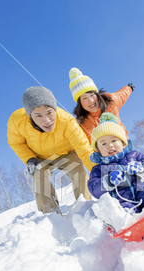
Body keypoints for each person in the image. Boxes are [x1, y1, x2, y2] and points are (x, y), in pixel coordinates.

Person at [7, 86, 94, 214]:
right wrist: (29, 159)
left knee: (78, 171)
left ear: (54, 109)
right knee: (38, 175)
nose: (46, 120)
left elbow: (85, 150)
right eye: (38, 115)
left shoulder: (67, 121)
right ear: (29, 115)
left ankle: (85, 206)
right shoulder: (17, 121)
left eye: (49, 112)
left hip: (66, 153)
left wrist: (99, 173)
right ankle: (51, 214)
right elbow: (16, 143)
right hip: (39, 157)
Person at [88, 113, 144, 213]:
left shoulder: (134, 155)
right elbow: (94, 188)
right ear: (98, 150)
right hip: (121, 200)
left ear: (123, 143)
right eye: (103, 143)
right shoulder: (98, 169)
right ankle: (130, 220)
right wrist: (108, 182)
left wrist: (143, 167)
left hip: (142, 190)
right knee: (120, 209)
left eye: (114, 140)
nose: (110, 145)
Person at [69, 67, 134, 142]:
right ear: (80, 103)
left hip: (123, 142)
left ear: (97, 94)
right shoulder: (83, 120)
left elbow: (122, 94)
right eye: (84, 98)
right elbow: (90, 140)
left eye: (92, 95)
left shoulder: (110, 101)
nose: (91, 101)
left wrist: (129, 87)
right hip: (103, 151)